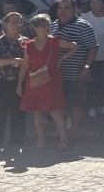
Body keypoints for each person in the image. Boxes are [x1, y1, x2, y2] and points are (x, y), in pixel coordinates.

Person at [19, 13, 76, 150]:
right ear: (35, 27)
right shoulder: (29, 45)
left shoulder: (55, 41)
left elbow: (75, 46)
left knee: (56, 111)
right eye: (43, 26)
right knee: (37, 111)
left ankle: (63, 140)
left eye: (47, 25)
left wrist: (62, 59)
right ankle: (41, 141)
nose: (46, 28)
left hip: (52, 80)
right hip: (35, 80)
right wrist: (19, 84)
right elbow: (25, 65)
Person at [51, 0, 98, 139]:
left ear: (74, 9)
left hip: (76, 73)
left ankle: (74, 133)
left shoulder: (83, 25)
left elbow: (93, 48)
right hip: (57, 74)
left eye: (67, 7)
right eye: (60, 7)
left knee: (75, 105)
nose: (63, 10)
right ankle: (62, 133)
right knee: (58, 105)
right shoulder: (53, 25)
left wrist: (86, 67)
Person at [0, 12, 28, 147]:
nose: (17, 25)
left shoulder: (26, 41)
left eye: (19, 22)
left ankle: (17, 140)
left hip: (19, 81)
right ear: (6, 24)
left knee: (19, 111)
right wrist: (13, 61)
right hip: (1, 80)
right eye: (14, 22)